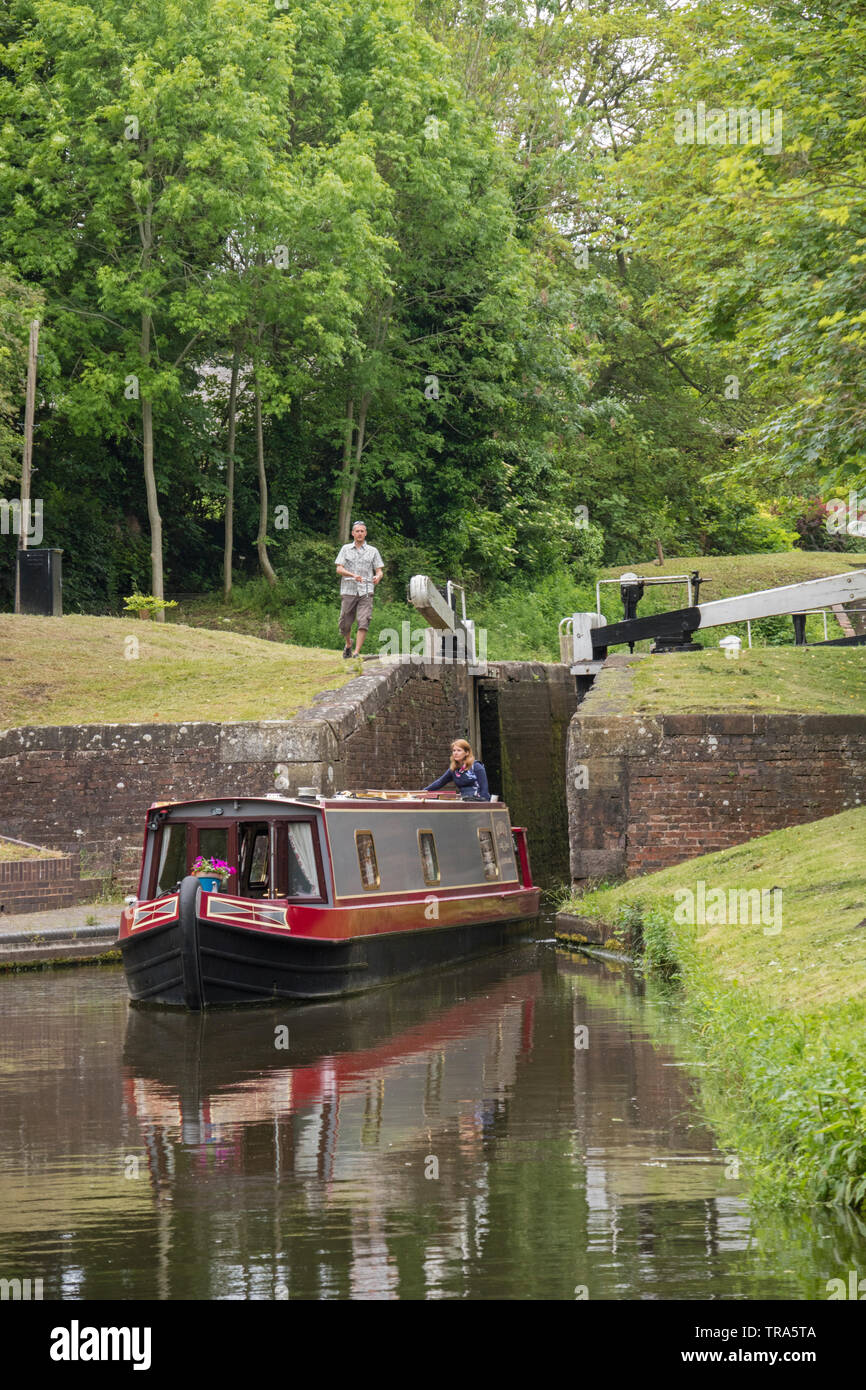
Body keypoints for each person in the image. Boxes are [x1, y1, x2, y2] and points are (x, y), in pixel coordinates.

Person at [335, 521, 384, 658]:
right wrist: (352, 575)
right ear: (352, 533)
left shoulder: (373, 551)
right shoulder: (345, 549)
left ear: (365, 533)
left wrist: (378, 576)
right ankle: (348, 644)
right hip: (348, 589)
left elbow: (379, 571)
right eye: (357, 531)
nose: (360, 533)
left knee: (364, 620)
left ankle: (356, 652)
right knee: (345, 623)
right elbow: (339, 568)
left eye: (362, 531)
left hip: (366, 590)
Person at [424, 739, 490, 801]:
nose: (455, 753)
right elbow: (439, 782)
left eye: (459, 750)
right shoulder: (454, 769)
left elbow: (484, 789)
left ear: (467, 752)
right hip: (464, 800)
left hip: (478, 801)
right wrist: (422, 792)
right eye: (454, 750)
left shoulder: (476, 766)